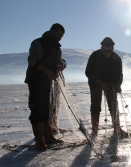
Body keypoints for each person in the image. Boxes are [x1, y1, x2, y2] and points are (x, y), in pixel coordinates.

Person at [24, 23, 66, 151]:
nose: (60, 38)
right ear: (52, 31)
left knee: (48, 109)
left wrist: (61, 66)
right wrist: (48, 72)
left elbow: (61, 61)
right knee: (37, 110)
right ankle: (39, 141)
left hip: (49, 83)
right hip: (36, 81)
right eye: (58, 34)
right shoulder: (38, 43)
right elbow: (33, 60)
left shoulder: (56, 47)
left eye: (62, 36)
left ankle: (48, 136)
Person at [85, 37, 128, 137]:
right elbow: (88, 72)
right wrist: (100, 83)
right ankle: (94, 130)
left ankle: (117, 129)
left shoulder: (116, 58)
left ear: (113, 48)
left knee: (113, 105)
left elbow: (120, 75)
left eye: (110, 50)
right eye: (105, 50)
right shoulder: (94, 56)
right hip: (95, 82)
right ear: (101, 47)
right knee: (95, 105)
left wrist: (118, 84)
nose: (108, 53)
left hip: (110, 83)